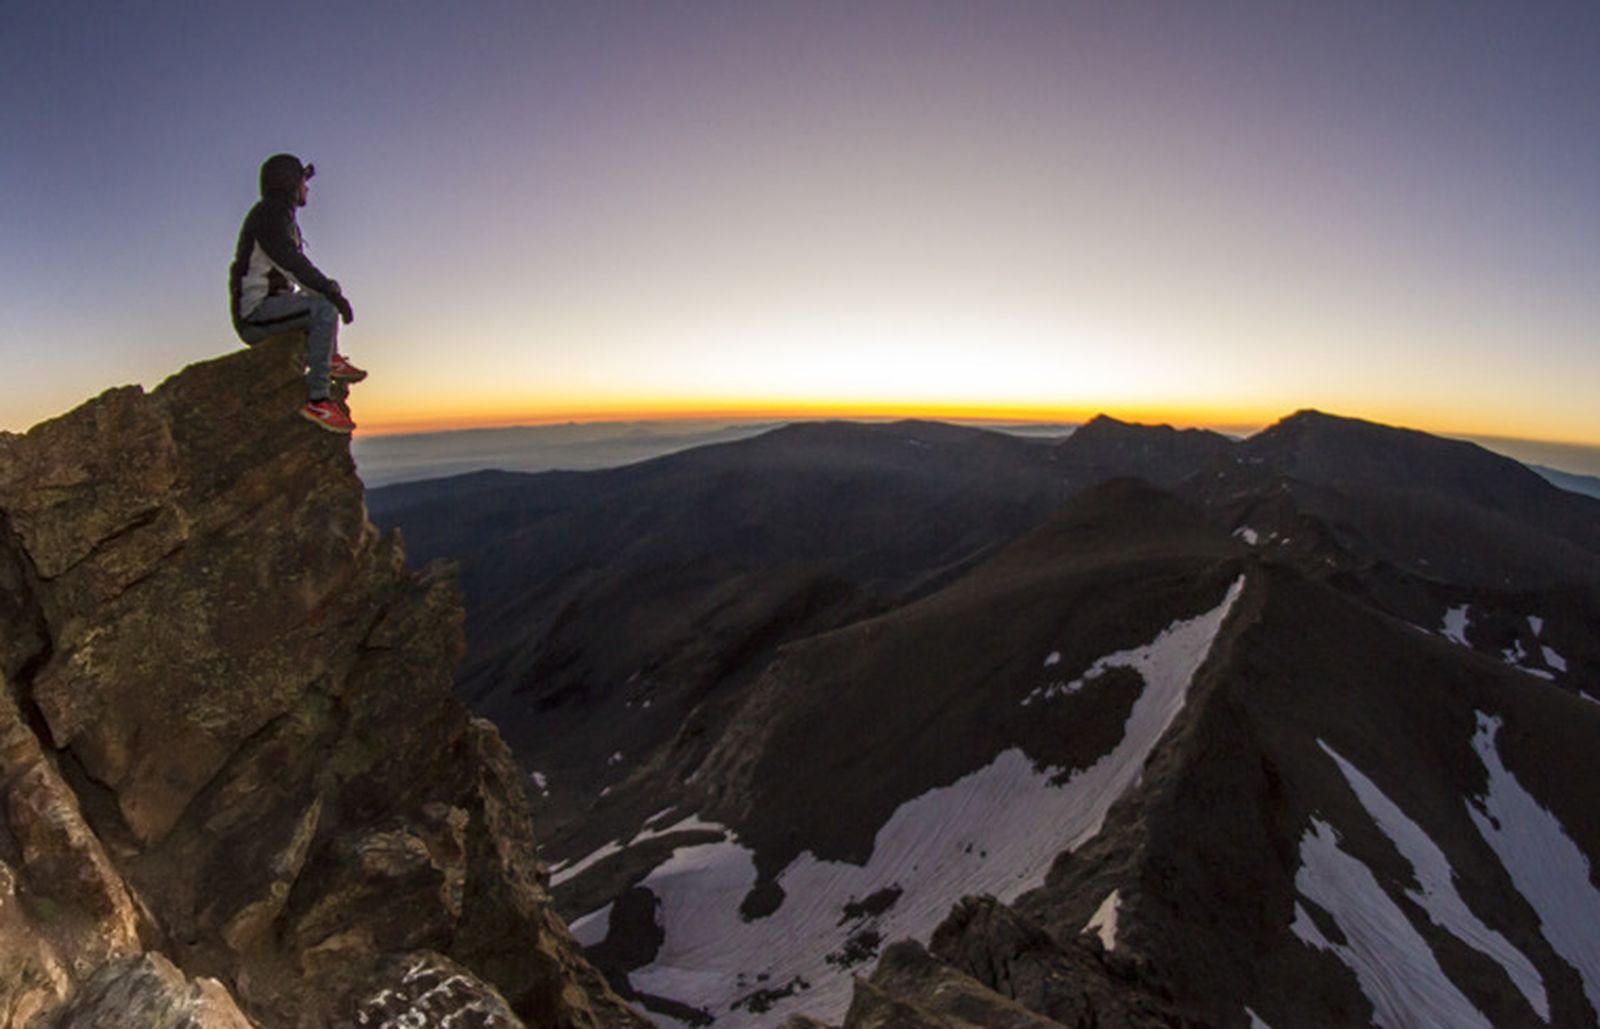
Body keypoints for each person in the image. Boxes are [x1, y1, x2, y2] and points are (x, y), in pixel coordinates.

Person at [229, 153, 365, 433]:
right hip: (256, 312)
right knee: (324, 309)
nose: (307, 187)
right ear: (290, 182)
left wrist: (329, 289)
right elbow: (291, 263)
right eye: (303, 181)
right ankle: (318, 401)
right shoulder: (270, 215)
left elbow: (295, 269)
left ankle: (330, 359)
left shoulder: (277, 215)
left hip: (274, 304)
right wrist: (330, 295)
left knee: (327, 293)